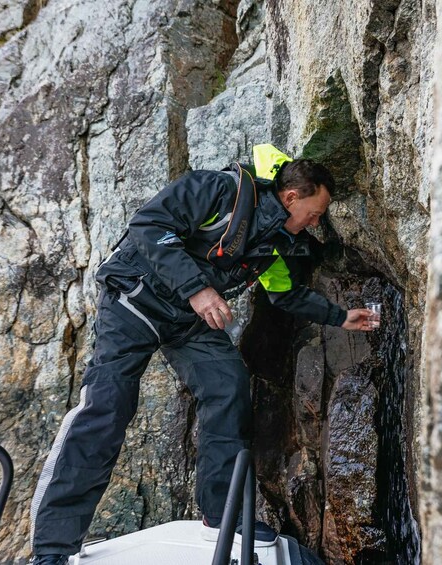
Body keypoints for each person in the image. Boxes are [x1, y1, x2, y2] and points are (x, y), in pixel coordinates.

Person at [28, 146, 375, 564]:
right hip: (133, 302)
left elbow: (284, 294)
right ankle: (52, 550)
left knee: (227, 385)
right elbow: (149, 225)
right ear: (291, 198)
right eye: (316, 213)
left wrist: (340, 317)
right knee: (107, 407)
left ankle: (219, 513)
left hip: (184, 323)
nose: (316, 224)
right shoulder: (218, 188)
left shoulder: (275, 242)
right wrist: (198, 288)